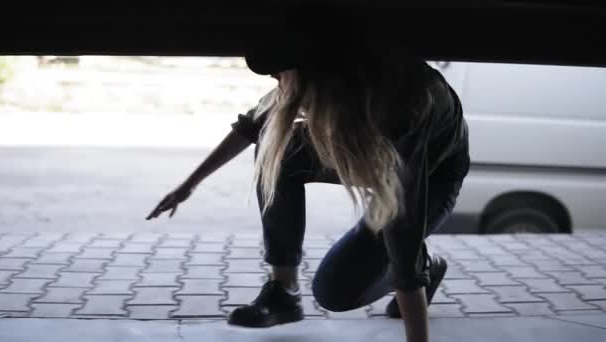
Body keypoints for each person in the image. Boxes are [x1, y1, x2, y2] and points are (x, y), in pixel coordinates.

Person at [147, 27, 469, 342]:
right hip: (362, 144)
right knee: (276, 148)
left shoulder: (406, 103)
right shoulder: (324, 70)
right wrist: (189, 185)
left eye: (280, 73)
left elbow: (403, 226)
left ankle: (428, 266)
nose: (275, 80)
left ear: (313, 72)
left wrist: (413, 276)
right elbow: (251, 125)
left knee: (335, 292)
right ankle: (283, 292)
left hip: (433, 175)